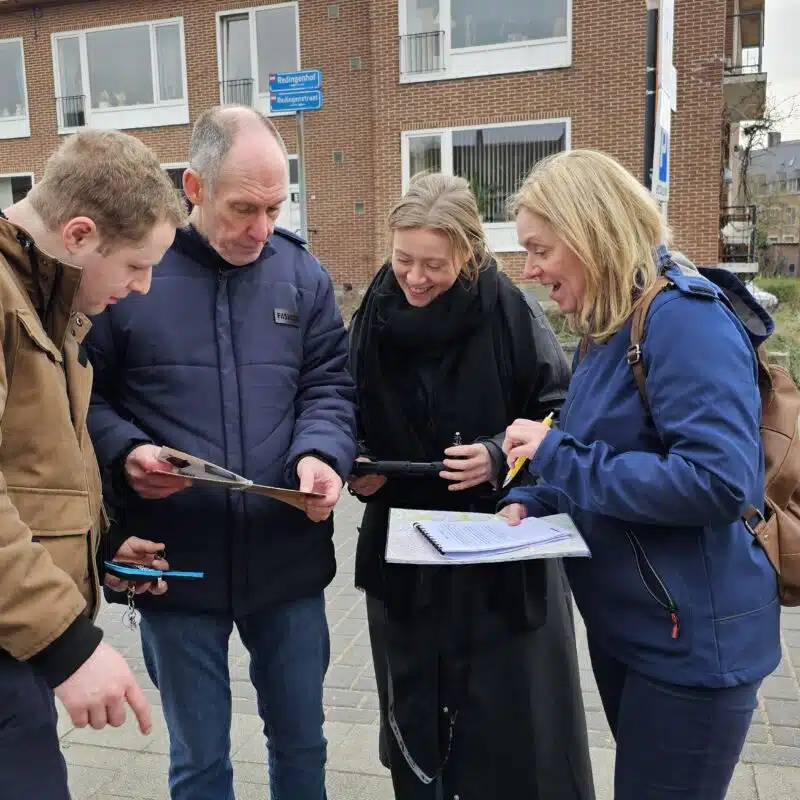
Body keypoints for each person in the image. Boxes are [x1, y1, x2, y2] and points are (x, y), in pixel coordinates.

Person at [85, 105, 357, 800]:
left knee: (302, 744)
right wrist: (126, 452)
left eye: (274, 207)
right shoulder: (133, 274)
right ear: (194, 187)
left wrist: (321, 454)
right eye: (243, 209)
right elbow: (84, 397)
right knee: (200, 759)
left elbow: (329, 386)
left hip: (287, 559)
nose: (260, 229)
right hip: (177, 565)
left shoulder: (302, 274)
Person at [499, 149, 782, 800]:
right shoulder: (606, 324)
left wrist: (554, 457)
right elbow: (597, 450)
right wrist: (534, 502)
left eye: (540, 249)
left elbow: (718, 482)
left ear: (591, 234)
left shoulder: (684, 318)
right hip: (636, 628)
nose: (528, 269)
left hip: (692, 648)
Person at [347, 172, 595, 799]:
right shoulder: (374, 309)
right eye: (403, 259)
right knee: (416, 720)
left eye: (434, 264)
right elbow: (343, 404)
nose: (415, 277)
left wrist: (497, 455)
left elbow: (561, 410)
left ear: (469, 252)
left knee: (507, 732)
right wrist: (357, 463)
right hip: (404, 553)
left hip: (497, 550)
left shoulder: (509, 308)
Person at [0, 129, 187, 800]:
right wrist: (67, 646)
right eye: (136, 265)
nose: (142, 287)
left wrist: (99, 543)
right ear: (79, 234)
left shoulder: (42, 295)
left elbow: (29, 464)